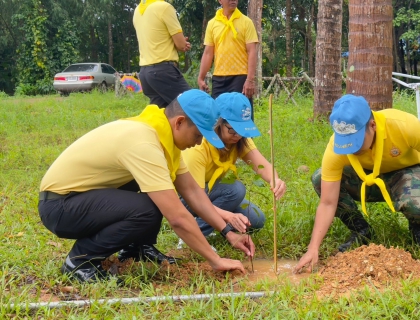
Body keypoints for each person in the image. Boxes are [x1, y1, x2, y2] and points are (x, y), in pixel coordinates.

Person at [39, 89, 254, 283]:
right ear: (179, 122)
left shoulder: (164, 138)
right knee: (150, 208)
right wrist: (215, 260)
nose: (198, 143)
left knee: (153, 197)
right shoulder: (144, 143)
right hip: (60, 205)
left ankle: (136, 248)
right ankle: (80, 261)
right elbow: (177, 217)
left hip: (80, 198)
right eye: (198, 135)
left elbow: (192, 192)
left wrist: (228, 232)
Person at [293, 94, 420, 273]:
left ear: (372, 126)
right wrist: (313, 248)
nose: (350, 147)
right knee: (320, 178)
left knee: (419, 204)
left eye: (355, 141)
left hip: (405, 174)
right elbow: (327, 202)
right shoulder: (336, 147)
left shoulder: (404, 126)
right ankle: (361, 230)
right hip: (366, 179)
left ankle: (419, 227)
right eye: (346, 142)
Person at [179, 92, 285, 244]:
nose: (238, 136)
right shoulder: (198, 146)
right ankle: (193, 234)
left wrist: (275, 180)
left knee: (255, 220)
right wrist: (228, 216)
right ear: (218, 123)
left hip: (215, 195)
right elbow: (194, 196)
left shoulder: (239, 141)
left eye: (242, 130)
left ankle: (215, 227)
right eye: (232, 129)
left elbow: (263, 166)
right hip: (189, 197)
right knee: (235, 189)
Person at [197, 0, 258, 119]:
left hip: (240, 78)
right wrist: (201, 78)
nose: (233, 0)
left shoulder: (246, 22)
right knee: (218, 120)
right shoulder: (212, 23)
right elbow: (208, 53)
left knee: (241, 119)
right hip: (219, 79)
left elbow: (252, 51)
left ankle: (246, 139)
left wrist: (250, 80)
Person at [133, 0, 192, 108]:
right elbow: (180, 44)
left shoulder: (137, 11)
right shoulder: (164, 8)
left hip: (145, 74)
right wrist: (183, 43)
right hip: (163, 71)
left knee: (162, 114)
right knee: (193, 105)